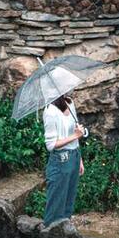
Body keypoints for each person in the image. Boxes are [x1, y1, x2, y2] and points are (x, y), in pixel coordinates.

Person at [41, 91, 88, 229]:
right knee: (56, 205)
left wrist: (79, 160)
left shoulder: (70, 103)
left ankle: (64, 237)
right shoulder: (50, 111)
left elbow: (75, 131)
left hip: (74, 157)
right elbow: (50, 145)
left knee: (68, 202)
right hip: (60, 160)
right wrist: (75, 136)